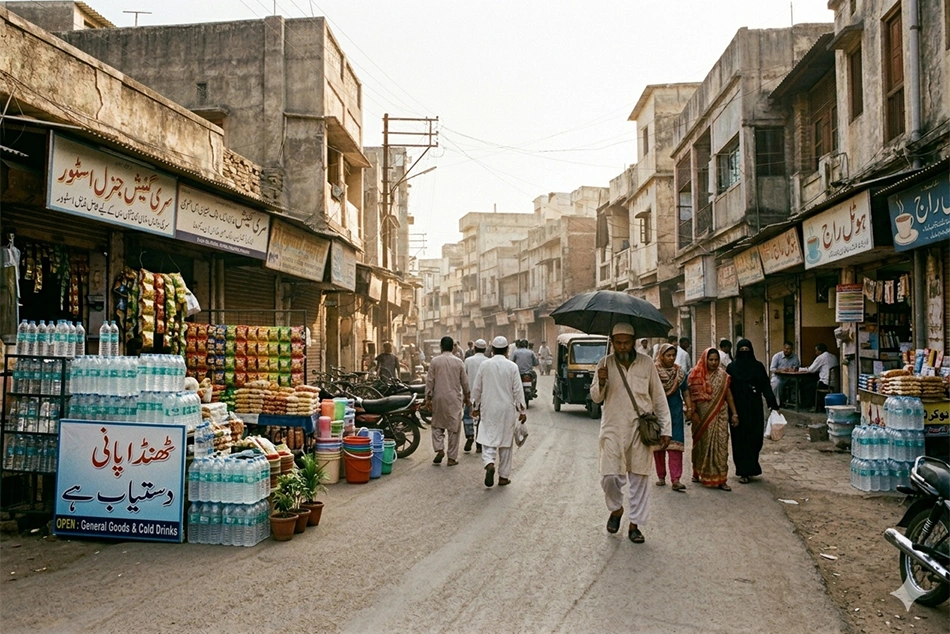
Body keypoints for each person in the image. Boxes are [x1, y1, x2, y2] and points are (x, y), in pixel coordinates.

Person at [591, 323, 672, 544]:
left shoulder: (646, 364)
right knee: (608, 477)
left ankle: (635, 525)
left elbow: (658, 399)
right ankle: (616, 509)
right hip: (612, 429)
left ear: (634, 341)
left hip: (640, 429)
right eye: (618, 342)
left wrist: (666, 429)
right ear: (613, 342)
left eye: (626, 342)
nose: (622, 346)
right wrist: (601, 380)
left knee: (639, 478)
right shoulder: (604, 364)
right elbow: (596, 398)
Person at [472, 336, 526, 487]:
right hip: (506, 409)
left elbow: (477, 388)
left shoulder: (484, 365)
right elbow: (518, 390)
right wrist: (522, 410)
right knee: (506, 443)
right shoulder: (512, 367)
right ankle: (503, 477)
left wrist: (475, 407)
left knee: (488, 438)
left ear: (493, 350)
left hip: (488, 407)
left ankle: (489, 462)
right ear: (507, 350)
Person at [726, 339, 779, 484]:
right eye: (741, 350)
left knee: (755, 438)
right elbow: (727, 390)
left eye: (746, 350)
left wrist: (772, 404)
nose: (744, 353)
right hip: (737, 410)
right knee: (740, 440)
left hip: (754, 408)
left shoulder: (758, 367)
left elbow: (765, 386)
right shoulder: (731, 368)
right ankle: (743, 471)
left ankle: (753, 467)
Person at [687, 348, 739, 491]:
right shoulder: (696, 375)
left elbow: (729, 395)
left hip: (720, 415)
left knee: (721, 445)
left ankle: (721, 479)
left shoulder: (723, 376)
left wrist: (734, 414)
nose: (714, 362)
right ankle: (698, 472)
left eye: (716, 360)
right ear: (705, 359)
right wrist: (693, 413)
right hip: (701, 417)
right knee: (702, 446)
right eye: (711, 360)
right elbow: (691, 397)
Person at [425, 336, 470, 467]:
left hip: (438, 397)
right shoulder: (459, 362)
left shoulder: (435, 361)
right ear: (452, 347)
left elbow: (430, 381)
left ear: (441, 347)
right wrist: (467, 397)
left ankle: (439, 449)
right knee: (454, 428)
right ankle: (451, 458)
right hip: (454, 398)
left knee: (437, 424)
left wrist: (428, 397)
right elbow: (465, 382)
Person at [653, 343, 692, 492]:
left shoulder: (679, 373)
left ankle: (676, 479)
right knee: (659, 445)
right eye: (668, 355)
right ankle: (661, 476)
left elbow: (686, 392)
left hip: (675, 412)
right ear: (661, 356)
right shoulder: (654, 372)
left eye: (673, 355)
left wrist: (689, 408)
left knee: (676, 445)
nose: (671, 358)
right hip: (657, 412)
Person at [463, 339, 490, 452]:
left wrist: (464, 395)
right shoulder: (489, 361)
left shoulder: (468, 361)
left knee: (468, 417)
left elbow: (464, 378)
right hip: (484, 395)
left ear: (474, 348)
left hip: (470, 395)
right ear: (485, 350)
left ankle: (470, 436)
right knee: (482, 419)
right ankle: (479, 444)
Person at [769, 341, 800, 405]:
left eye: (788, 349)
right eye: (785, 348)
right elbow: (772, 368)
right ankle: (775, 403)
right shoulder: (777, 356)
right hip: (778, 377)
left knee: (797, 382)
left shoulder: (795, 357)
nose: (787, 350)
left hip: (789, 377)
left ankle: (794, 401)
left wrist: (793, 369)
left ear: (792, 349)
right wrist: (781, 370)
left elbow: (797, 367)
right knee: (776, 383)